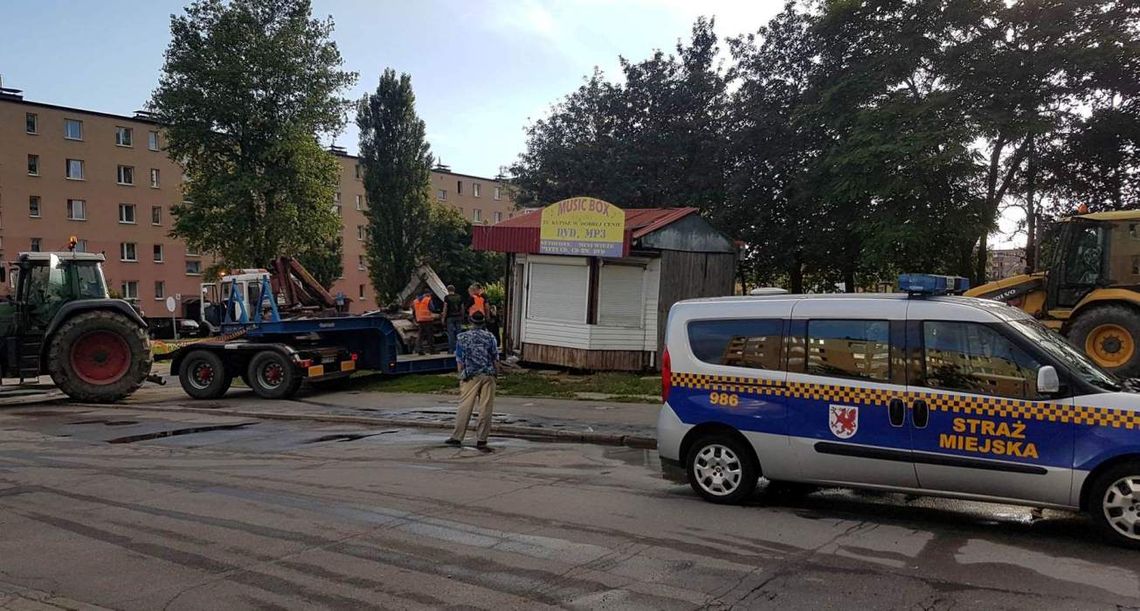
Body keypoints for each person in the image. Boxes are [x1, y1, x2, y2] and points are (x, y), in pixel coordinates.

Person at [445, 311, 499, 450]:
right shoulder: (490, 337)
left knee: (465, 406)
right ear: (483, 322)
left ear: (470, 321)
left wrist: (461, 375)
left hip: (470, 375)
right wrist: (495, 374)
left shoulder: (462, 337)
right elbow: (495, 358)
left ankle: (457, 436)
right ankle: (482, 439)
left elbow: (459, 359)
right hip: (488, 374)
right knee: (486, 407)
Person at [441, 284, 465, 353]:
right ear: (454, 290)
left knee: (451, 334)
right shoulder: (459, 297)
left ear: (448, 290)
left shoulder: (447, 297)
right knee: (459, 333)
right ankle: (460, 349)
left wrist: (443, 318)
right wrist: (462, 316)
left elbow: (445, 308)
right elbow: (462, 308)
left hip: (450, 317)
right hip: (458, 317)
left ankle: (451, 349)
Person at [413, 289, 435, 355]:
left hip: (420, 320)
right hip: (427, 320)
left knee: (420, 336)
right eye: (430, 294)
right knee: (430, 335)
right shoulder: (428, 299)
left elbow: (414, 311)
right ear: (427, 293)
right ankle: (432, 350)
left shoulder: (415, 301)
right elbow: (432, 308)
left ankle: (419, 349)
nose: (430, 295)